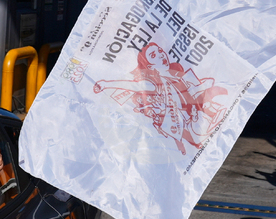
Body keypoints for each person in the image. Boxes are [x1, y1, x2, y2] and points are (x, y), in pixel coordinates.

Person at [92, 42, 228, 155]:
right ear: (150, 66)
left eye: (159, 51)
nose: (161, 55)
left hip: (199, 115)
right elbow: (132, 85)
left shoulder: (176, 74)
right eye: (153, 55)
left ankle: (213, 115)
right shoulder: (154, 83)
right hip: (189, 124)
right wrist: (106, 85)